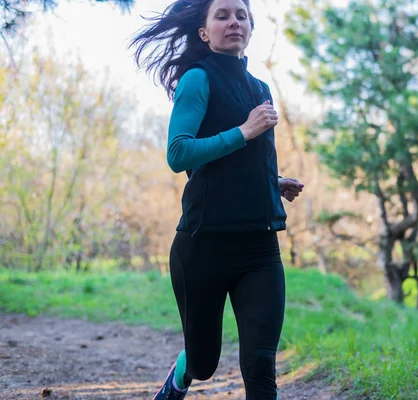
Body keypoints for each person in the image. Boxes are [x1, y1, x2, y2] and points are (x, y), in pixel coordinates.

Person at [129, 0, 305, 398]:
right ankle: (179, 378)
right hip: (203, 245)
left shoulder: (259, 88)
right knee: (204, 363)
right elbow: (179, 154)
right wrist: (245, 130)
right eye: (222, 15)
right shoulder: (197, 79)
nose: (234, 22)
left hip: (259, 247)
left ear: (251, 28)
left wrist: (273, 181)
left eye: (241, 15)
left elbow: (240, 158)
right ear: (204, 32)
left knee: (261, 364)